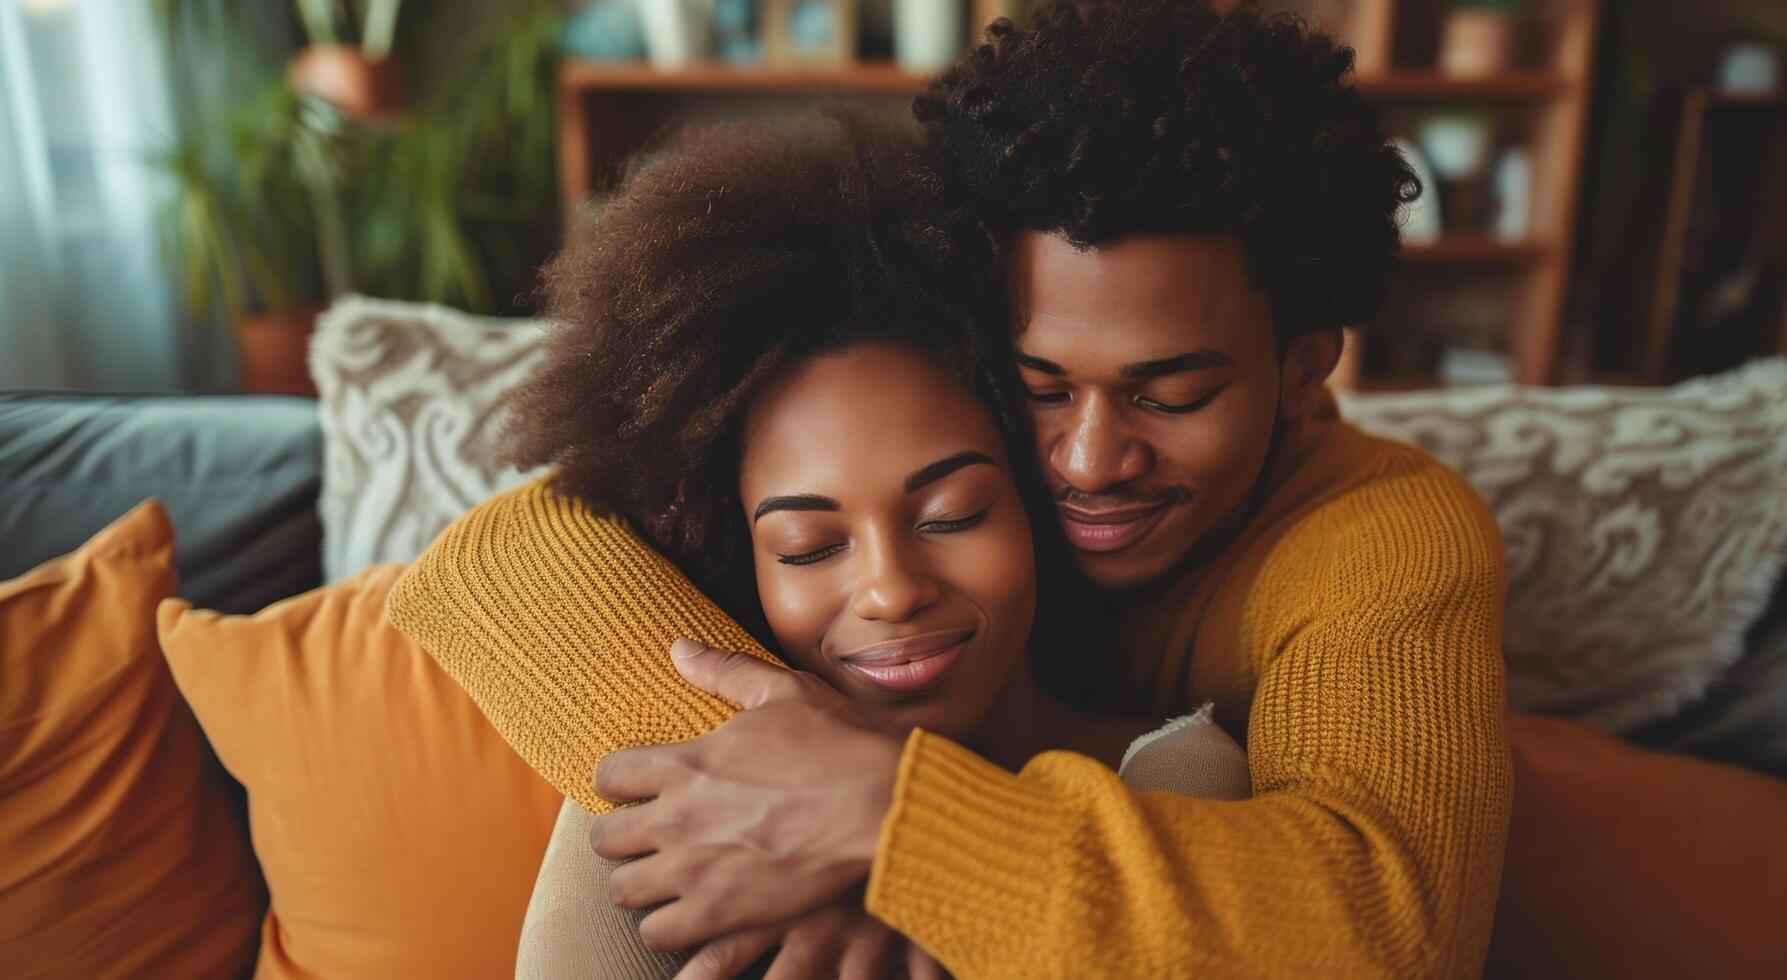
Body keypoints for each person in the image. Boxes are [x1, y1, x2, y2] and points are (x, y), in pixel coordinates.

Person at [388, 0, 1511, 975]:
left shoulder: (1380, 536)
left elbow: (1387, 931)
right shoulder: (922, 440)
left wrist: (891, 823)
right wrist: (796, 819)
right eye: (1041, 387)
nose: (1087, 459)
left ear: (1303, 369)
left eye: (1168, 396)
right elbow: (503, 556)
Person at [480, 115, 1251, 977]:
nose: (890, 591)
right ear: (742, 557)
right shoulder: (676, 788)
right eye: (809, 547)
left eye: (953, 514)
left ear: (1037, 503)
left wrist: (907, 846)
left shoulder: (1175, 775)